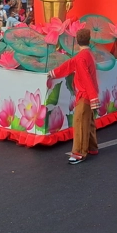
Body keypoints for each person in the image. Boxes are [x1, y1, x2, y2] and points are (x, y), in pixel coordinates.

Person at [47, 29, 99, 164]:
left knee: (80, 122)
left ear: (77, 41)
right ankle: (92, 147)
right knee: (89, 120)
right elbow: (70, 65)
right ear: (89, 40)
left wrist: (92, 97)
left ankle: (79, 153)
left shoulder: (81, 57)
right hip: (88, 93)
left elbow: (84, 77)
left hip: (85, 94)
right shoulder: (86, 55)